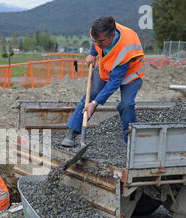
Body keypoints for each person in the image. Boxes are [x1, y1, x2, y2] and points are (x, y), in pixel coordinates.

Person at [61, 16, 145, 147]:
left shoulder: (125, 48)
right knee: (91, 94)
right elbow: (96, 42)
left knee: (126, 105)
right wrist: (92, 53)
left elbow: (113, 83)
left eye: (101, 41)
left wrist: (95, 103)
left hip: (131, 73)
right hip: (107, 67)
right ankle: (72, 132)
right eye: (95, 41)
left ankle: (130, 143)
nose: (98, 44)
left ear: (112, 35)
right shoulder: (98, 31)